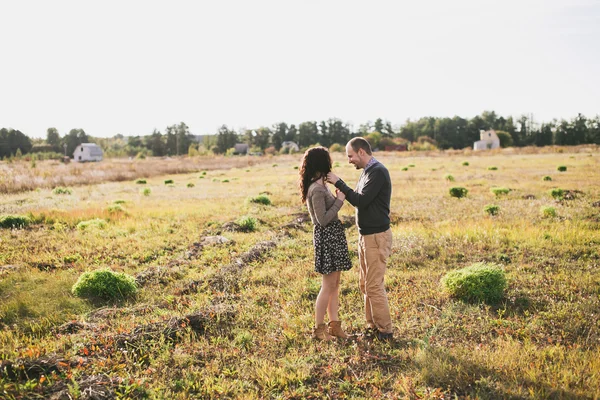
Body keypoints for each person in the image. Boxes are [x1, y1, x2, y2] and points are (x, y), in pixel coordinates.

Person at [327, 137, 393, 341]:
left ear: (362, 152)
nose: (349, 160)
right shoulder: (367, 172)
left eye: (350, 156)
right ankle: (372, 325)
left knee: (373, 285)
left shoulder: (378, 172)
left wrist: (339, 183)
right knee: (365, 284)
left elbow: (361, 200)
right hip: (366, 236)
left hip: (376, 237)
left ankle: (385, 331)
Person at [299, 146, 353, 341]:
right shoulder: (317, 189)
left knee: (335, 284)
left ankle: (334, 326)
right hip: (327, 237)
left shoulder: (321, 185)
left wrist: (336, 196)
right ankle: (319, 329)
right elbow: (321, 220)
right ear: (323, 163)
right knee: (328, 285)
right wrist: (340, 201)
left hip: (333, 236)